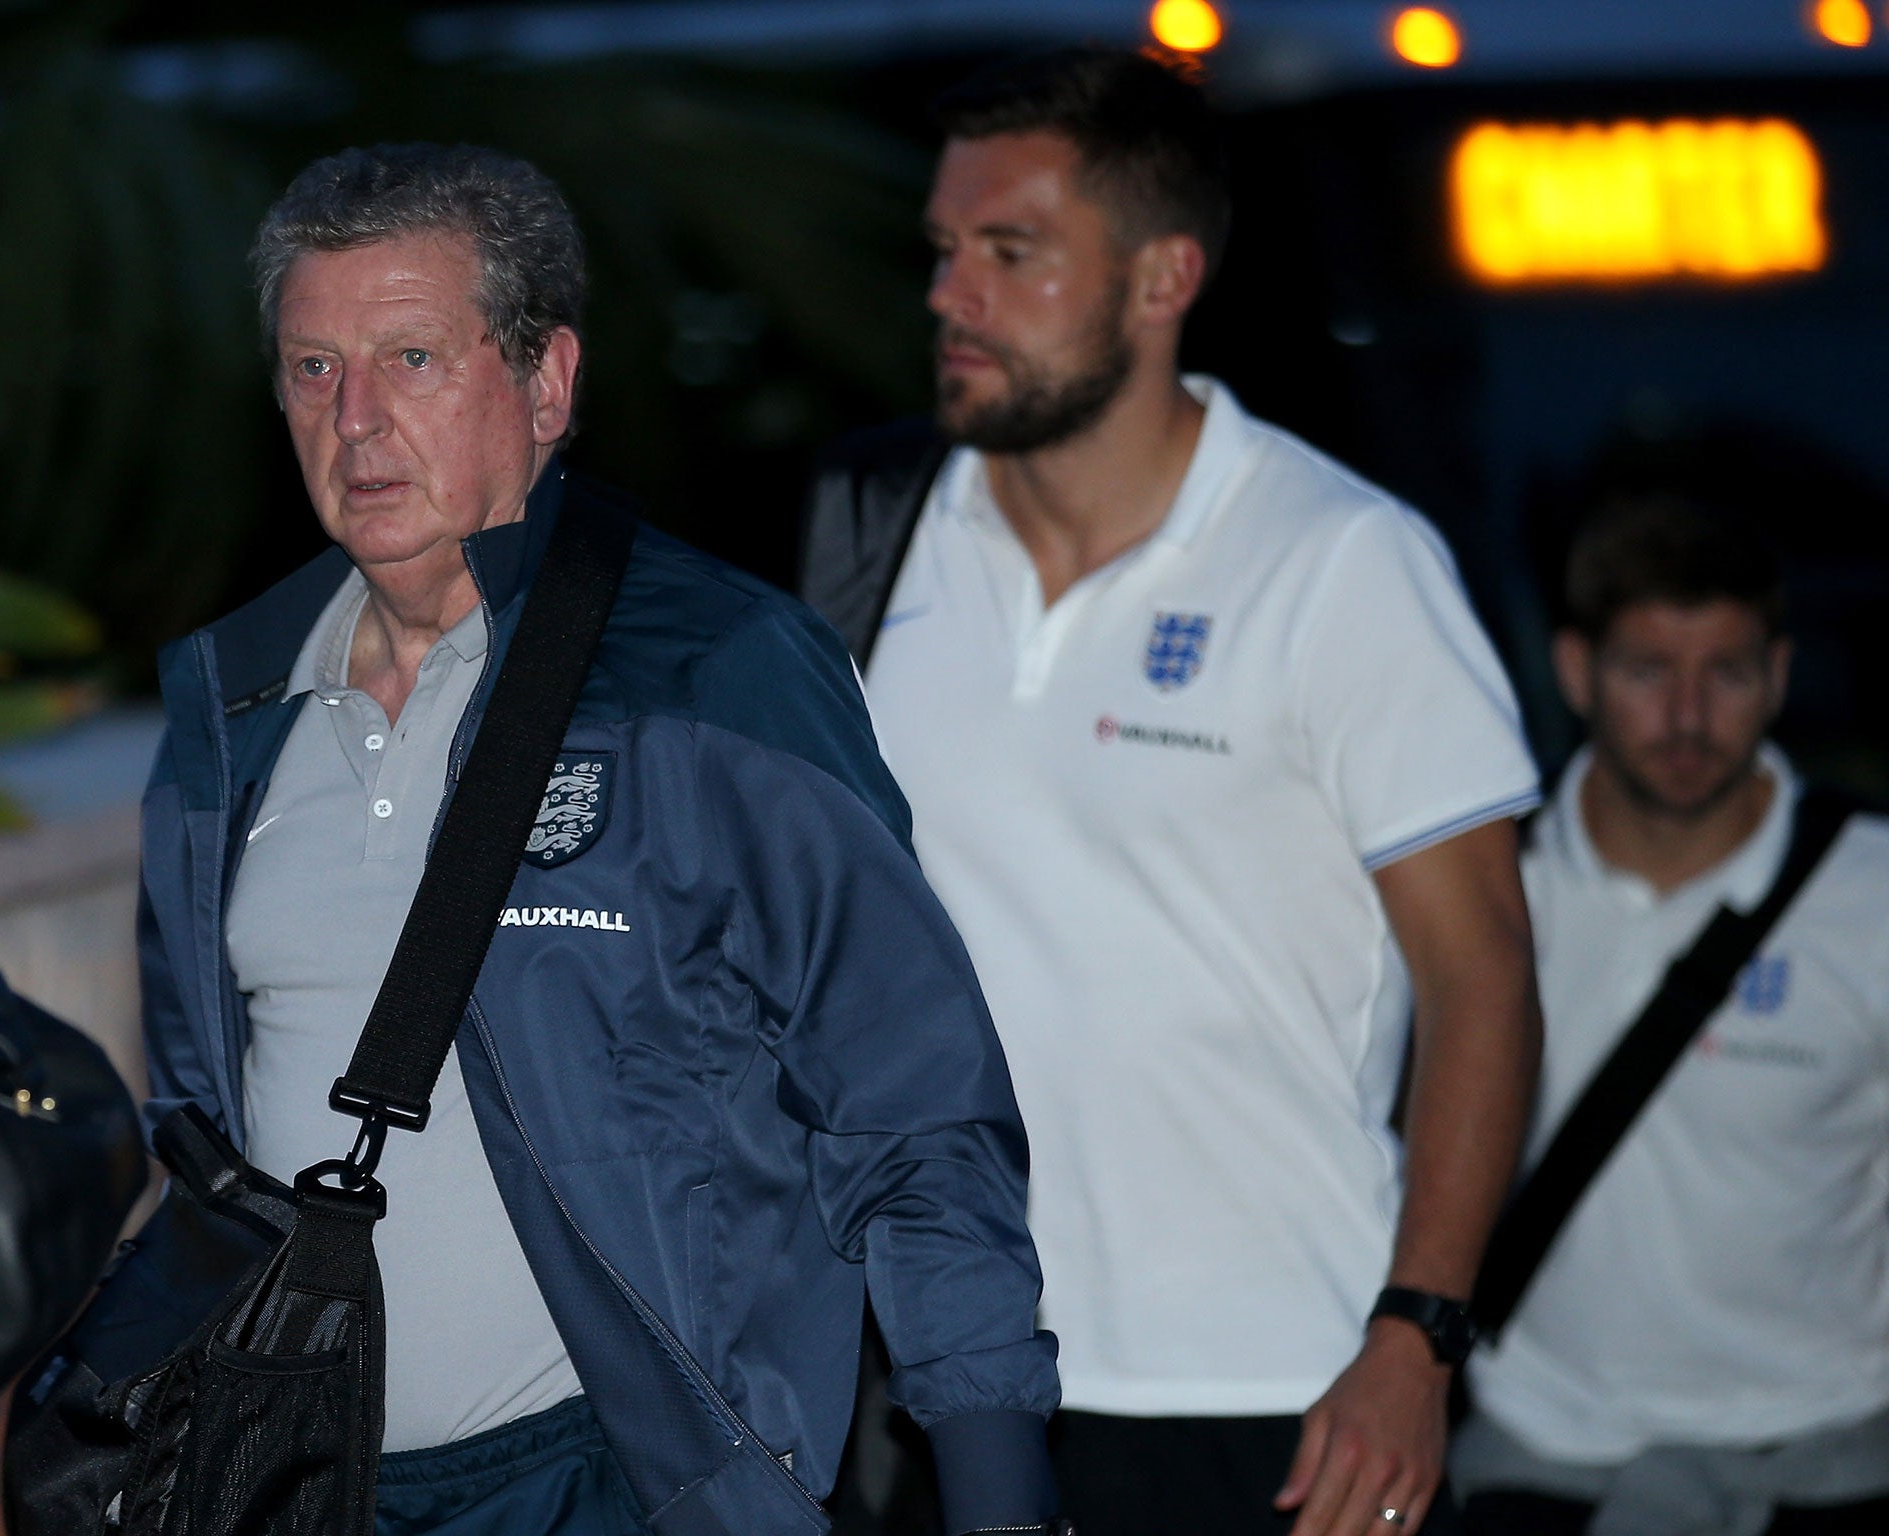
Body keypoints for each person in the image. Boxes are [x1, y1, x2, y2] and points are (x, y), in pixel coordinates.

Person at [134, 142, 1065, 1536]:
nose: (358, 421)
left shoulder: (718, 673)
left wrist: (997, 1490)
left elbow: (912, 1111)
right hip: (304, 1482)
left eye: (414, 359)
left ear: (547, 383)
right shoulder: (230, 711)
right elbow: (202, 1135)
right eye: (315, 368)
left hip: (625, 1484)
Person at [800, 48, 1543, 1536]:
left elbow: (1486, 982)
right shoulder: (870, 547)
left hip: (1282, 1399)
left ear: (1162, 280)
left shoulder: (1341, 562)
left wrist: (1420, 1336)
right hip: (948, 1384)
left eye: (1012, 254)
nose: (953, 296)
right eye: (945, 252)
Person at [1451, 498, 1889, 1535]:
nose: (1686, 716)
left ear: (1776, 676)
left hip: (1824, 1455)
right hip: (1541, 1453)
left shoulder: (1869, 895)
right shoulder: (1483, 892)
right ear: (1572, 671)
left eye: (1725, 673)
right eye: (1646, 672)